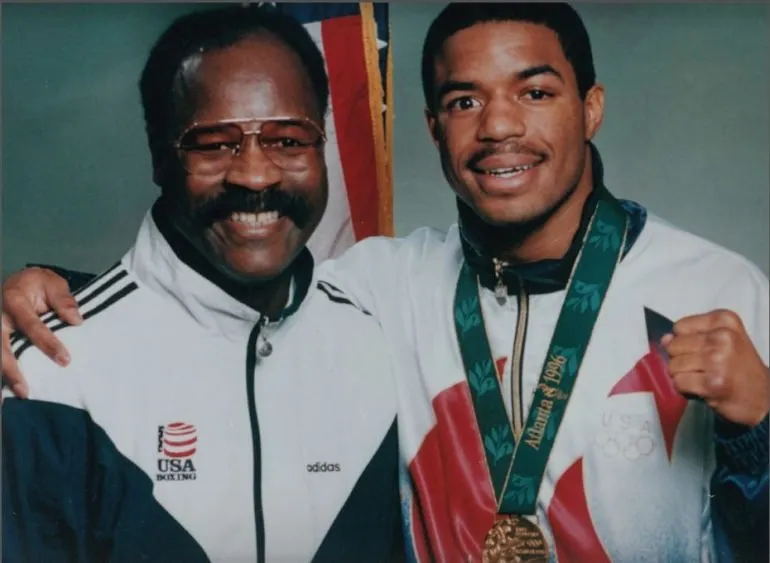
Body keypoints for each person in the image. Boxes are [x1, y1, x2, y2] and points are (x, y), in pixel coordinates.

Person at [4, 3, 769, 562]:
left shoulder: (719, 288)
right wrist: (57, 297)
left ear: (590, 106)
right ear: (435, 127)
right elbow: (230, 276)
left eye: (534, 92)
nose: (499, 126)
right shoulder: (380, 283)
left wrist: (759, 427)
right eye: (465, 100)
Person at [1, 5, 404, 563]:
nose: (256, 175)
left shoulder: (387, 344)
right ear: (160, 157)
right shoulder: (46, 377)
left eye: (289, 140)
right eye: (214, 144)